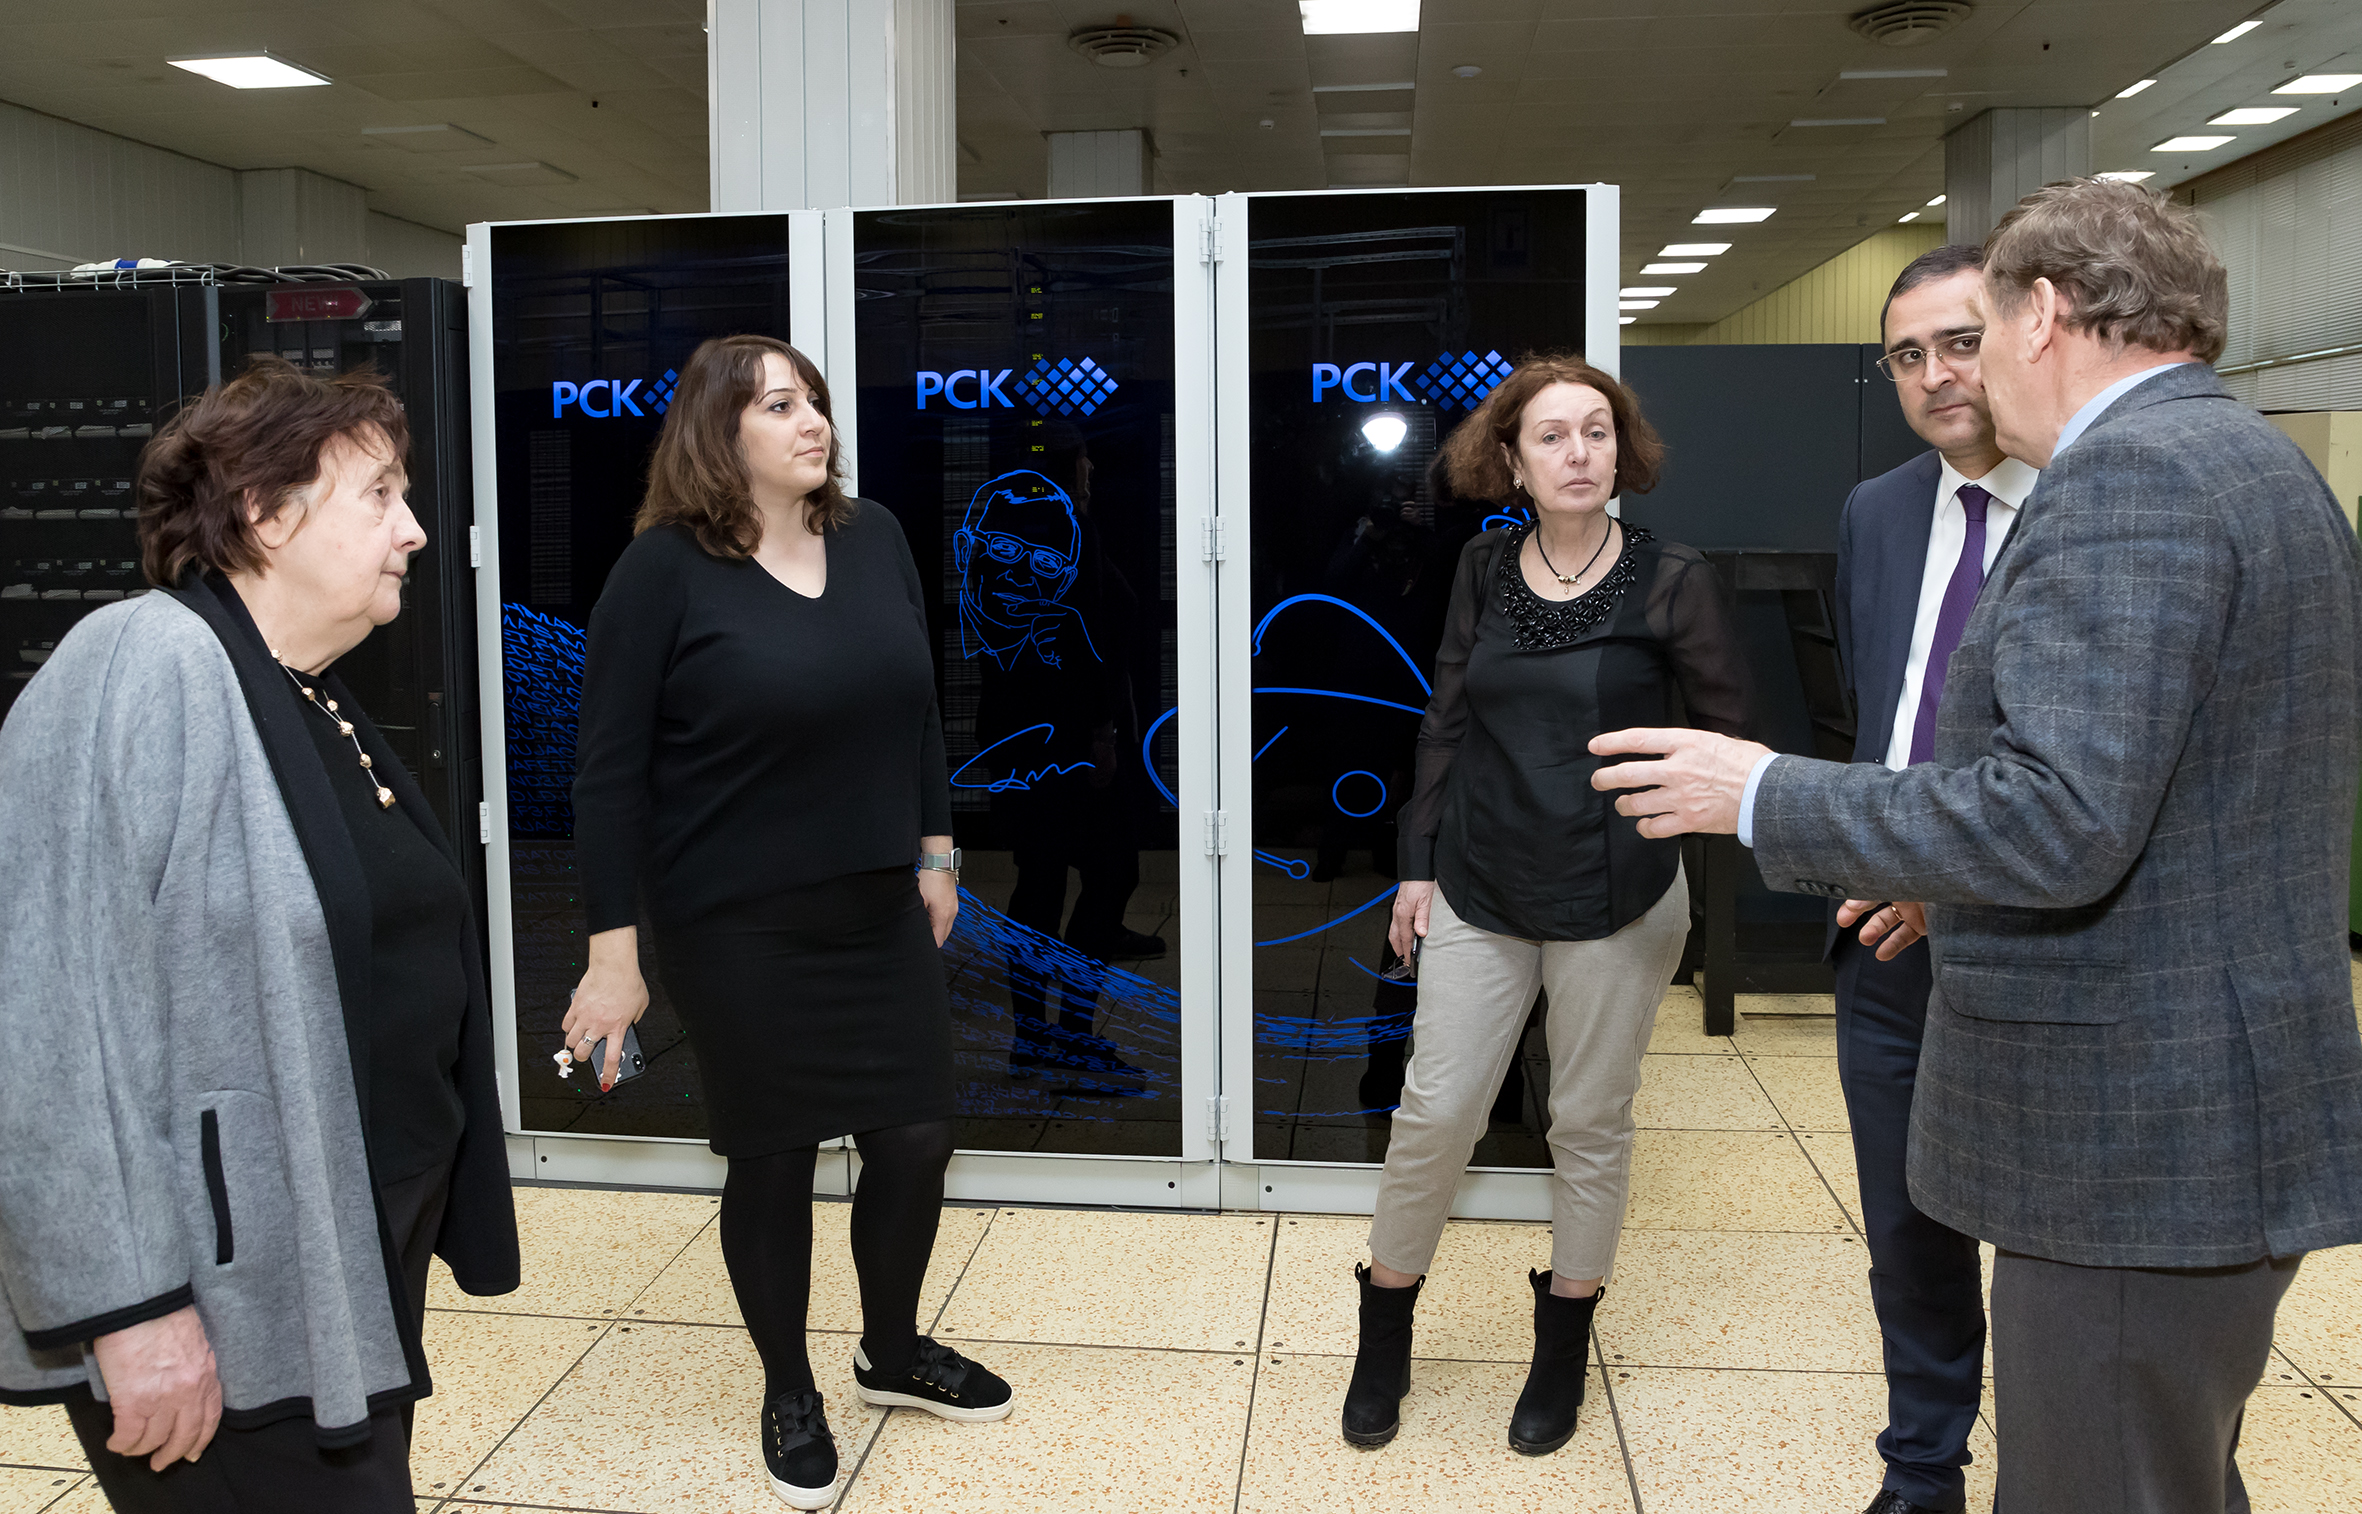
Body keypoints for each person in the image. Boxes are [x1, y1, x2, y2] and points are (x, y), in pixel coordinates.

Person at [1590, 177, 2362, 1512]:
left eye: (1980, 331)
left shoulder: (2126, 481)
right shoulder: (2252, 459)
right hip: (2203, 1100)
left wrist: (1762, 792)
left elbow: (2058, 816)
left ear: (2041, 314)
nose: (1964, 373)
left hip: (2132, 1129)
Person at [0, 356, 520, 1511]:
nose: (414, 530)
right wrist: (132, 1312)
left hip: (333, 1258)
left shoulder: (304, 691)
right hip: (214, 1297)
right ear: (265, 512)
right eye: (379, 495)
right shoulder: (137, 662)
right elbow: (41, 1021)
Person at [566, 334, 1012, 1511]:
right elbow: (607, 775)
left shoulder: (875, 537)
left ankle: (891, 1349)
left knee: (915, 1135)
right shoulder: (661, 571)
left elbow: (918, 706)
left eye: (812, 398)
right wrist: (614, 953)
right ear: (718, 431)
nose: (811, 419)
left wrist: (935, 849)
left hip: (874, 902)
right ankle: (788, 1385)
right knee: (772, 1153)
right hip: (732, 920)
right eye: (777, 404)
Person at [1345, 354, 1754, 1456]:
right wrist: (1416, 864)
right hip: (1481, 876)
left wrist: (1668, 811)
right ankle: (1384, 1329)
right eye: (1552, 436)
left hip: (1620, 890)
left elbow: (1731, 740)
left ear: (1622, 451)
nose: (1579, 453)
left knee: (1587, 1119)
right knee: (1437, 1110)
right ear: (1513, 463)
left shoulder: (1675, 577)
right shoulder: (1482, 567)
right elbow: (1445, 717)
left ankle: (1562, 1344)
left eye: (1597, 432)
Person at [1829, 242, 2037, 1514]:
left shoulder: (2089, 499)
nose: (1934, 374)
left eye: (1958, 341)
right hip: (1884, 941)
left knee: (2060, 1236)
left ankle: (2090, 1460)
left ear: (2021, 332)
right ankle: (1922, 1468)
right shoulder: (1877, 509)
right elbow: (1879, 708)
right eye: (1905, 355)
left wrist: (1948, 874)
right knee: (1909, 1227)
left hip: (2043, 933)